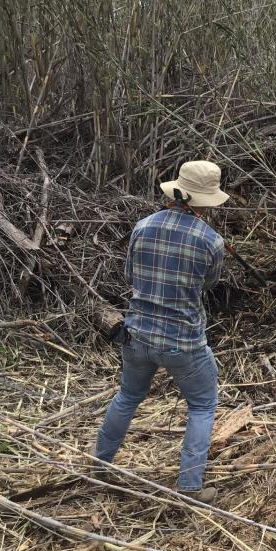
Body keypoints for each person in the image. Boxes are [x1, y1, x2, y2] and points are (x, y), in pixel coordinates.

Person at [93, 160, 229, 501]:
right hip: (184, 342)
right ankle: (189, 487)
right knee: (201, 406)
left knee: (127, 397)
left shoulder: (142, 226)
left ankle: (99, 466)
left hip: (136, 335)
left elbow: (129, 275)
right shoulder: (212, 241)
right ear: (203, 201)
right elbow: (208, 284)